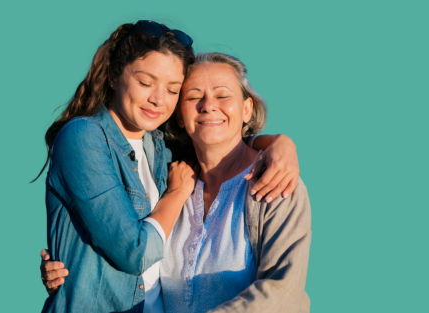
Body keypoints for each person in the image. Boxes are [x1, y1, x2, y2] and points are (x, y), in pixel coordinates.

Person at [36, 20, 302, 313]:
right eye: (145, 82)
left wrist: (279, 143)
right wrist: (176, 194)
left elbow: (221, 141)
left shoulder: (163, 151)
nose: (158, 99)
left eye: (173, 89)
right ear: (113, 76)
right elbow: (133, 252)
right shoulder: (85, 137)